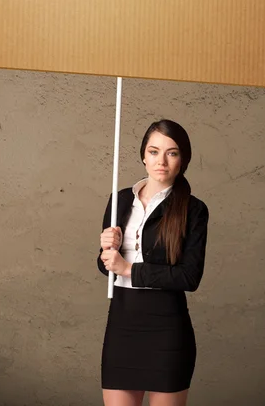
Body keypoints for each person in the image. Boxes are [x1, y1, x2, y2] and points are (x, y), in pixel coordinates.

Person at [97, 119, 209, 406]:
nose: (162, 161)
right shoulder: (120, 200)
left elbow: (189, 277)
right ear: (143, 155)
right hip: (122, 324)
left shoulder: (193, 210)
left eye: (172, 153)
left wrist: (128, 268)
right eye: (154, 151)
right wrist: (107, 251)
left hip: (167, 330)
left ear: (183, 159)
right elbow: (105, 266)